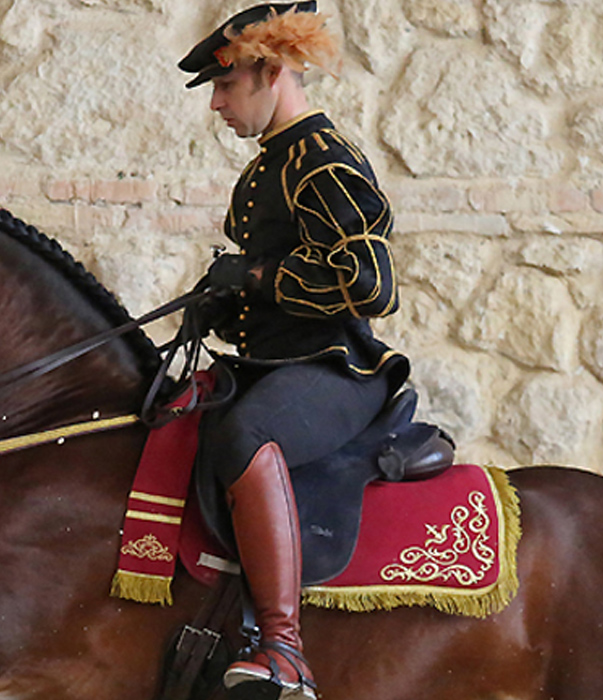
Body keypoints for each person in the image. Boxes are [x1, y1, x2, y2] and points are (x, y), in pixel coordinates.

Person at [178, 3, 409, 699]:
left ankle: (283, 651)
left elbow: (369, 284)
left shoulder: (323, 163)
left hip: (335, 369)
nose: (217, 103)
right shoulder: (264, 172)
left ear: (272, 72)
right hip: (273, 363)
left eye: (226, 85)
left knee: (248, 433)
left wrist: (256, 276)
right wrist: (222, 302)